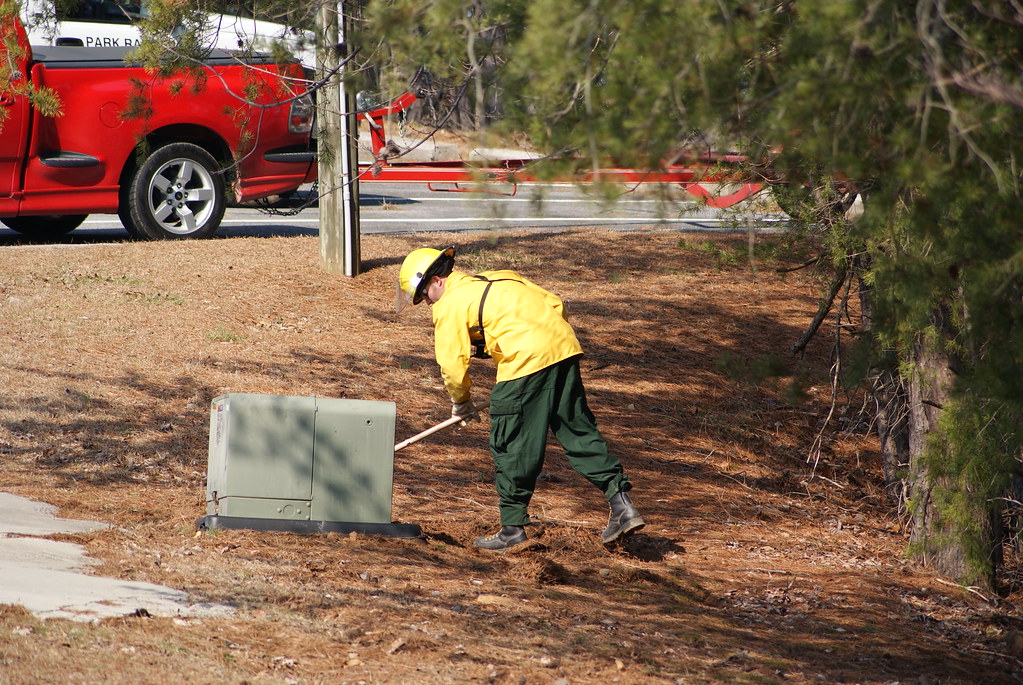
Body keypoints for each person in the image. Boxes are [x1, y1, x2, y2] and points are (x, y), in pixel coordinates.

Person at [397, 246, 645, 551]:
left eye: (424, 295)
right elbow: (555, 305)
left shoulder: (449, 304)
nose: (426, 302)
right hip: (563, 350)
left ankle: (512, 530)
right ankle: (622, 506)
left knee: (511, 444)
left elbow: (452, 364)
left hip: (524, 364)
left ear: (436, 281)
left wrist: (461, 402)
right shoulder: (502, 278)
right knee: (578, 431)